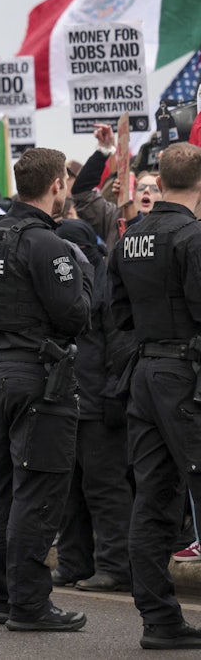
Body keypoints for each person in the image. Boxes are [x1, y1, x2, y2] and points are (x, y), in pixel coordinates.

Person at [0, 147, 93, 632]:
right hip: (39, 379)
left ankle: (4, 596)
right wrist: (84, 276)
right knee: (38, 491)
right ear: (58, 183)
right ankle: (30, 605)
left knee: (6, 488)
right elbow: (76, 316)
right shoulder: (47, 244)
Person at [108, 142, 201, 649]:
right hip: (185, 375)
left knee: (153, 496)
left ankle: (159, 620)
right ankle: (163, 621)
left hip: (144, 372)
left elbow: (115, 311)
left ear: (159, 182)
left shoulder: (131, 236)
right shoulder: (193, 236)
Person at [51, 218, 132, 592]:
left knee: (104, 488)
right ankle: (73, 564)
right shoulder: (65, 285)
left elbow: (119, 346)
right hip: (67, 401)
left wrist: (115, 395)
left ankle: (116, 566)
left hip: (99, 404)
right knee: (68, 491)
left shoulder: (107, 285)